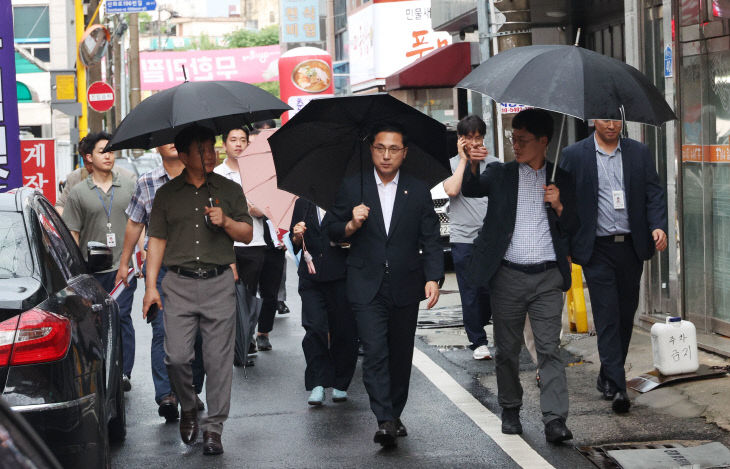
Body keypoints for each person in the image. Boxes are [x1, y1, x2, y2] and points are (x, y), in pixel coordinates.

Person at [323, 122, 443, 448]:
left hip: (406, 282)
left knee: (400, 354)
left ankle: (395, 410)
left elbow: (430, 239)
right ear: (371, 149)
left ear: (404, 153)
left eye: (393, 149)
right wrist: (351, 223)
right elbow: (331, 230)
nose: (386, 155)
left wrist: (433, 277)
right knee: (374, 351)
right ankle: (385, 419)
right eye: (380, 148)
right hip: (365, 283)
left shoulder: (418, 190)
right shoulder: (353, 187)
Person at [461, 108, 577, 444]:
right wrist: (470, 161)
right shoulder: (500, 173)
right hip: (508, 275)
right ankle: (510, 407)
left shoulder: (561, 178)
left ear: (544, 141)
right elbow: (471, 189)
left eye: (523, 140)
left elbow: (575, 228)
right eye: (514, 139)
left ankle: (555, 419)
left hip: (547, 277)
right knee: (507, 350)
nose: (516, 145)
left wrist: (559, 206)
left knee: (549, 348)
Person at [142, 126, 253, 455]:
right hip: (177, 284)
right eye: (203, 150)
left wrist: (226, 222)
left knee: (219, 361)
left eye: (213, 148)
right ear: (183, 154)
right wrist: (151, 288)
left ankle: (214, 428)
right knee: (176, 357)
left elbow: (246, 233)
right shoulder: (166, 195)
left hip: (219, 282)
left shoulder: (229, 190)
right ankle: (188, 404)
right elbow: (156, 242)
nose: (211, 154)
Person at [560, 119, 667, 414]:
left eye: (616, 119)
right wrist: (565, 245)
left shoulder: (639, 153)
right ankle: (619, 387)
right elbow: (565, 203)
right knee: (606, 315)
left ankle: (608, 373)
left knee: (624, 315)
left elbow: (654, 193)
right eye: (606, 120)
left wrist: (657, 226)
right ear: (594, 121)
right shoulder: (574, 155)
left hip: (631, 246)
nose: (612, 125)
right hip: (597, 249)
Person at [114, 143, 206, 422]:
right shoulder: (147, 181)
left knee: (199, 336)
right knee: (162, 331)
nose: (170, 143)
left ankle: (190, 390)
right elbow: (134, 223)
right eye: (164, 140)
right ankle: (166, 395)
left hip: (199, 268)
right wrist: (124, 261)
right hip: (162, 269)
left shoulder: (202, 178)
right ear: (156, 146)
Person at [62, 131, 137, 391]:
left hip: (122, 266)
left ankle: (124, 372)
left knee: (122, 316)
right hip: (91, 271)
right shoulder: (78, 193)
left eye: (111, 151)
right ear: (88, 157)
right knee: (96, 321)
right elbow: (72, 233)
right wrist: (72, 271)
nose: (108, 155)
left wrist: (141, 255)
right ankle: (101, 368)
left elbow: (140, 224)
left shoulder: (129, 185)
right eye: (102, 151)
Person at [290, 198, 358, 406]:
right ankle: (318, 383)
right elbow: (295, 243)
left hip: (342, 274)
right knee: (314, 328)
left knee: (344, 330)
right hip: (311, 277)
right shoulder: (303, 203)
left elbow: (361, 236)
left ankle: (340, 382)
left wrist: (349, 233)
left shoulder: (349, 201)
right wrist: (297, 234)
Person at [442, 114, 499, 360]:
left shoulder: (495, 164)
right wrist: (465, 161)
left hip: (490, 238)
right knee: (470, 291)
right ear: (460, 139)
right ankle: (478, 341)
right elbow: (453, 190)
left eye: (478, 137)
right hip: (463, 238)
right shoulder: (451, 165)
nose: (474, 143)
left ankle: (482, 323)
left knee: (489, 291)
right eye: (468, 138)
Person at [213, 126, 268, 360]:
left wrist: (260, 210)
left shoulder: (258, 172)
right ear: (224, 145)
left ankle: (247, 335)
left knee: (249, 294)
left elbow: (269, 206)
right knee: (227, 294)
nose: (237, 144)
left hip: (254, 241)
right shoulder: (216, 174)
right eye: (232, 139)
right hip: (225, 243)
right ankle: (236, 341)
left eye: (242, 140)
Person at [55, 146, 135, 215]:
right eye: (86, 162)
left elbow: (137, 213)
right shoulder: (75, 178)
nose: (90, 167)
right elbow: (60, 205)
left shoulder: (128, 178)